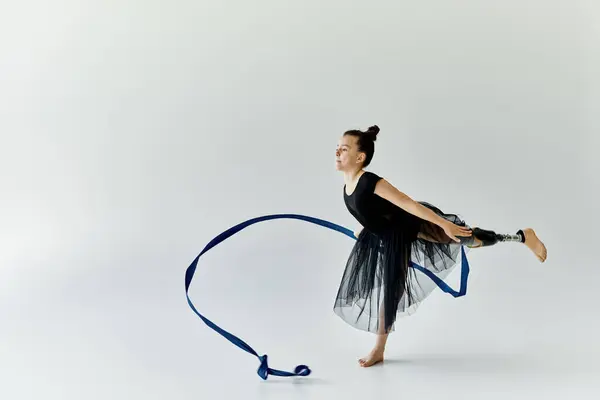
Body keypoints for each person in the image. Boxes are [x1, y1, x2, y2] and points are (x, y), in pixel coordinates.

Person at [333, 125, 547, 368]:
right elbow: (373, 211)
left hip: (413, 223)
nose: (337, 152)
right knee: (391, 290)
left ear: (360, 157)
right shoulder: (346, 187)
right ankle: (379, 349)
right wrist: (366, 227)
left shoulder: (370, 181)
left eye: (344, 149)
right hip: (388, 236)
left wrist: (444, 224)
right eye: (337, 148)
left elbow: (407, 204)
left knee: (469, 239)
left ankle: (522, 237)